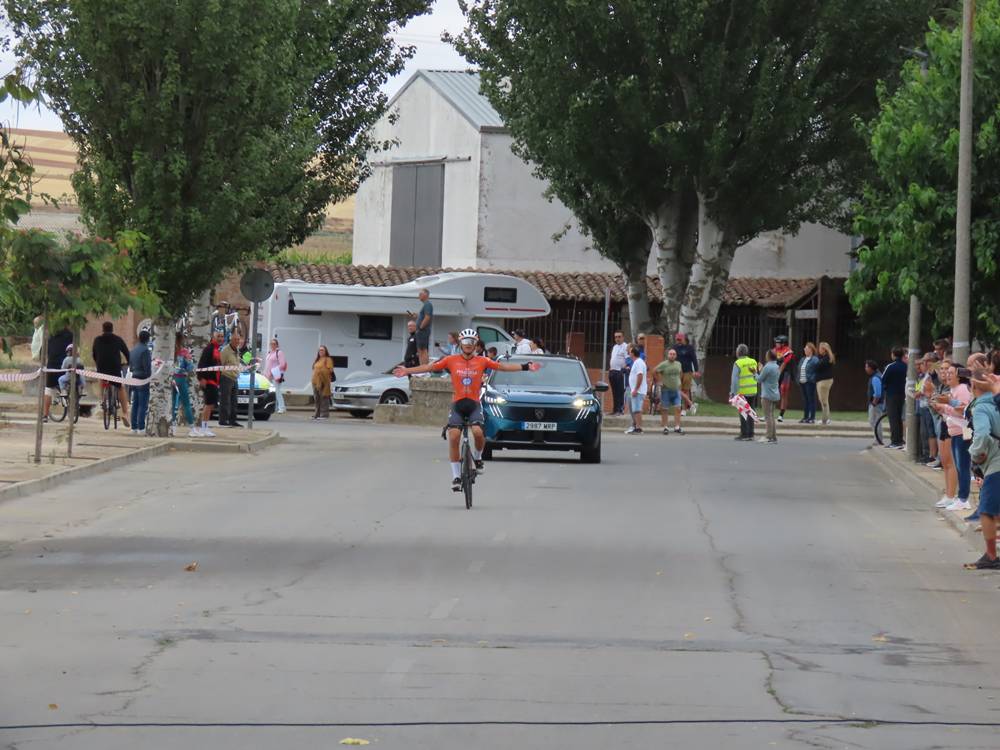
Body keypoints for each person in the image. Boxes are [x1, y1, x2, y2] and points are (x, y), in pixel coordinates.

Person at [392, 329, 541, 490]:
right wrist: (407, 370)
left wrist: (525, 366)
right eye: (465, 342)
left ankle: (477, 458)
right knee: (454, 436)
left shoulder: (482, 361)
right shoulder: (451, 360)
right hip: (458, 404)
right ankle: (456, 477)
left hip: (474, 404)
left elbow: (503, 367)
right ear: (461, 343)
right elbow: (429, 367)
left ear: (476, 344)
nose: (468, 346)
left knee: (478, 432)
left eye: (471, 343)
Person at [963, 373, 1000, 570]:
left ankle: (991, 556)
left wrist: (975, 454)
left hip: (995, 463)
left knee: (986, 510)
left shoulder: (981, 408)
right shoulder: (996, 402)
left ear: (974, 387)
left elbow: (983, 434)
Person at [933, 365, 973, 513]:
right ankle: (961, 497)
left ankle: (963, 499)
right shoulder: (953, 390)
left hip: (963, 431)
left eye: (951, 373)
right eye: (946, 373)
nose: (947, 375)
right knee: (959, 465)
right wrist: (941, 408)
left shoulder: (962, 389)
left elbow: (963, 410)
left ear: (959, 375)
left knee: (963, 465)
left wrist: (945, 407)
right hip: (955, 431)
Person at [92, 321, 131, 427]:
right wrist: (128, 363)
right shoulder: (118, 339)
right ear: (112, 329)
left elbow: (94, 354)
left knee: (101, 377)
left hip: (101, 366)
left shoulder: (97, 340)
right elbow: (127, 353)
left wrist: (98, 363)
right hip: (114, 368)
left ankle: (102, 400)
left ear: (103, 329)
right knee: (121, 387)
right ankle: (125, 413)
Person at [42, 326, 73, 422]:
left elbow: (46, 351)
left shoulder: (50, 335)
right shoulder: (70, 335)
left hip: (51, 365)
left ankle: (45, 415)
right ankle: (71, 411)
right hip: (65, 364)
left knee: (48, 390)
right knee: (69, 385)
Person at [196, 331, 223, 437]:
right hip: (209, 381)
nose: (220, 338)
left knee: (210, 405)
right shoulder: (209, 349)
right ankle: (203, 428)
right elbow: (201, 364)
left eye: (222, 336)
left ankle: (205, 426)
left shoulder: (217, 349)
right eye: (218, 337)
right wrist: (201, 378)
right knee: (208, 405)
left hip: (215, 382)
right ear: (213, 338)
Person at [730, 344, 759, 441]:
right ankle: (751, 433)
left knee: (743, 412)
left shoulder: (738, 363)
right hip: (753, 390)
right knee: (751, 412)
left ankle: (744, 434)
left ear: (738, 352)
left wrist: (733, 392)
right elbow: (756, 375)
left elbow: (734, 380)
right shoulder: (753, 361)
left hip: (742, 392)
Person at [882, 346, 908, 449]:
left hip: (892, 394)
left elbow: (883, 379)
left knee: (893, 418)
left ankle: (895, 441)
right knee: (900, 418)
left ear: (893, 354)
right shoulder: (906, 367)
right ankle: (900, 440)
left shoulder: (890, 366)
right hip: (903, 394)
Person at [128, 329, 153, 435]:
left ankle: (133, 427)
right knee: (143, 404)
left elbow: (130, 366)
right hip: (143, 379)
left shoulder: (133, 350)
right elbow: (147, 367)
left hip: (134, 377)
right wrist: (150, 376)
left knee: (135, 404)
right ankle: (141, 427)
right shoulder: (145, 351)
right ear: (147, 340)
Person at [654, 347, 684, 435]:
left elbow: (681, 373)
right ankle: (665, 427)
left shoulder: (678, 364)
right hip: (666, 390)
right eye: (670, 354)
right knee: (665, 409)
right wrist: (659, 381)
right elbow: (654, 371)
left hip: (676, 390)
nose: (672, 356)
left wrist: (679, 382)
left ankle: (677, 427)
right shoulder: (664, 364)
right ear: (668, 355)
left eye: (674, 354)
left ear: (676, 356)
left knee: (678, 408)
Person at [172, 339, 198, 436]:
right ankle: (191, 427)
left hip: (171, 378)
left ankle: (172, 426)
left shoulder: (170, 351)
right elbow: (190, 367)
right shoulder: (184, 352)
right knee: (186, 404)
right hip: (181, 379)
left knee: (172, 403)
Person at [219, 332, 243, 428]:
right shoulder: (225, 351)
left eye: (238, 339)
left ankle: (233, 420)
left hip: (234, 378)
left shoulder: (237, 350)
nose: (237, 341)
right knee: (225, 400)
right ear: (231, 340)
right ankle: (223, 420)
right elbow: (221, 363)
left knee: (234, 400)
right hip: (226, 377)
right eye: (235, 340)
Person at [756, 350, 781, 443]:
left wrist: (755, 372)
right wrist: (762, 370)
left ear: (769, 357)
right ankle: (773, 436)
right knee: (771, 415)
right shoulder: (776, 366)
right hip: (775, 394)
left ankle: (768, 436)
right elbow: (769, 377)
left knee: (767, 416)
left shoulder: (767, 366)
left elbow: (759, 379)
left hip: (767, 395)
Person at [673, 332, 700, 416]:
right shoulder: (675, 347)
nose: (678, 341)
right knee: (678, 390)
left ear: (684, 339)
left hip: (688, 371)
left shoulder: (689, 348)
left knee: (685, 390)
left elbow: (694, 359)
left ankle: (684, 409)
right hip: (678, 371)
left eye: (680, 339)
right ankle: (689, 405)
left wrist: (696, 370)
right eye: (677, 339)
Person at [625, 344, 648, 435]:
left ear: (633, 353)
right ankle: (636, 427)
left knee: (637, 409)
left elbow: (640, 375)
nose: (629, 354)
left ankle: (638, 428)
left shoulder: (638, 362)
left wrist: (635, 389)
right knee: (635, 409)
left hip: (638, 391)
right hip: (636, 390)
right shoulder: (638, 362)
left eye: (630, 352)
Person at [772, 335, 795, 422]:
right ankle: (769, 413)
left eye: (778, 342)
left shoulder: (788, 351)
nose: (776, 344)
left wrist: (777, 374)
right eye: (776, 342)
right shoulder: (774, 350)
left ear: (783, 343)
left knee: (784, 392)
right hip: (776, 373)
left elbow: (784, 364)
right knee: (773, 393)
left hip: (785, 374)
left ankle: (781, 415)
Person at [264, 338, 288, 414]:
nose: (272, 345)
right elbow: (267, 364)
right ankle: (275, 407)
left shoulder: (279, 353)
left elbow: (282, 364)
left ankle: (282, 407)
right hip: (268, 376)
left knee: (277, 391)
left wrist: (273, 370)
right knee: (271, 392)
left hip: (275, 375)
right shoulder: (269, 353)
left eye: (274, 344)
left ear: (277, 345)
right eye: (271, 344)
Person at [409, 288, 433, 365]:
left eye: (420, 294)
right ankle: (423, 368)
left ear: (425, 294)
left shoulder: (428, 304)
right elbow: (423, 318)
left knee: (423, 350)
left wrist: (420, 328)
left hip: (423, 331)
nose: (419, 296)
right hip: (421, 331)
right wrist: (416, 317)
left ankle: (425, 369)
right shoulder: (425, 305)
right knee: (420, 350)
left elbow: (427, 317)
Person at [814, 342, 836, 425]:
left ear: (824, 350)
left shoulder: (826, 359)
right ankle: (826, 418)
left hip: (824, 381)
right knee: (824, 400)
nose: (819, 350)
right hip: (823, 381)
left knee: (823, 401)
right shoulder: (824, 358)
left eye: (820, 348)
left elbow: (817, 367)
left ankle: (825, 419)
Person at [312, 345, 335, 419]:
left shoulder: (328, 359)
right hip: (315, 381)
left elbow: (330, 370)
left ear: (325, 351)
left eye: (322, 350)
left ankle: (324, 414)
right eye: (319, 350)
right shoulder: (317, 359)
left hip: (324, 381)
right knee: (316, 398)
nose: (321, 351)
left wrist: (322, 372)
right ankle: (317, 414)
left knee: (324, 398)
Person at [608, 331, 628, 416]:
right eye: (616, 337)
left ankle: (620, 410)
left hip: (620, 372)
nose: (617, 339)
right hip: (612, 371)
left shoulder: (625, 346)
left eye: (619, 337)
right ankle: (615, 409)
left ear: (623, 337)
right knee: (614, 392)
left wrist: (623, 369)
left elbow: (628, 359)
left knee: (620, 392)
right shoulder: (615, 347)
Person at [798, 342, 818, 424]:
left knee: (811, 400)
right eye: (804, 348)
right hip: (802, 382)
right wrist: (798, 378)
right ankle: (805, 417)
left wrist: (812, 378)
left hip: (809, 382)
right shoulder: (803, 359)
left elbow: (817, 371)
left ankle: (812, 417)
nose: (805, 350)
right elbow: (799, 369)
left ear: (811, 349)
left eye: (806, 348)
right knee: (805, 400)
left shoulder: (815, 359)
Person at [865, 360, 884, 446]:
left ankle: (878, 439)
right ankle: (878, 439)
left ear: (870, 368)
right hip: (878, 403)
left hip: (876, 404)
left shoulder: (875, 378)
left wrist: (874, 403)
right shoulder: (878, 375)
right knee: (875, 421)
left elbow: (878, 393)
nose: (865, 369)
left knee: (875, 421)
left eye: (866, 367)